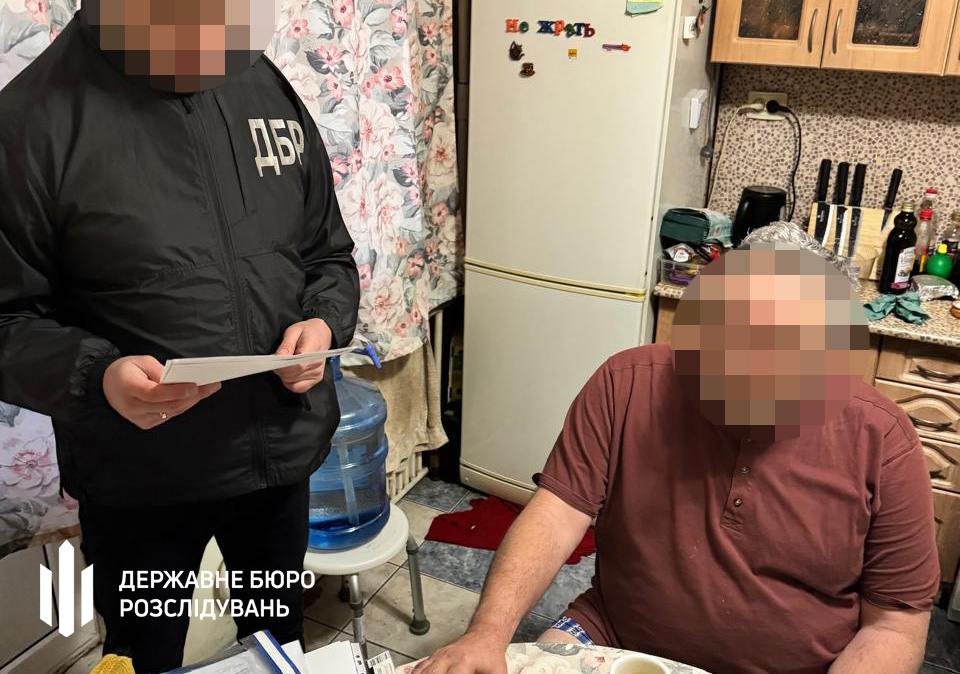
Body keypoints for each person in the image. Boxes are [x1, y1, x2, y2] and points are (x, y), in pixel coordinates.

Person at [0, 1, 359, 671]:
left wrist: (324, 322)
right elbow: (6, 319)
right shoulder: (30, 120)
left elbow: (327, 254)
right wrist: (98, 377)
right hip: (141, 483)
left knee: (276, 646)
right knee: (144, 657)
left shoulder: (260, 80)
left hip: (278, 460)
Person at [417, 231, 940, 674]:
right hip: (612, 636)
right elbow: (558, 512)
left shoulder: (881, 439)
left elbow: (895, 623)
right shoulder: (628, 381)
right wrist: (487, 633)